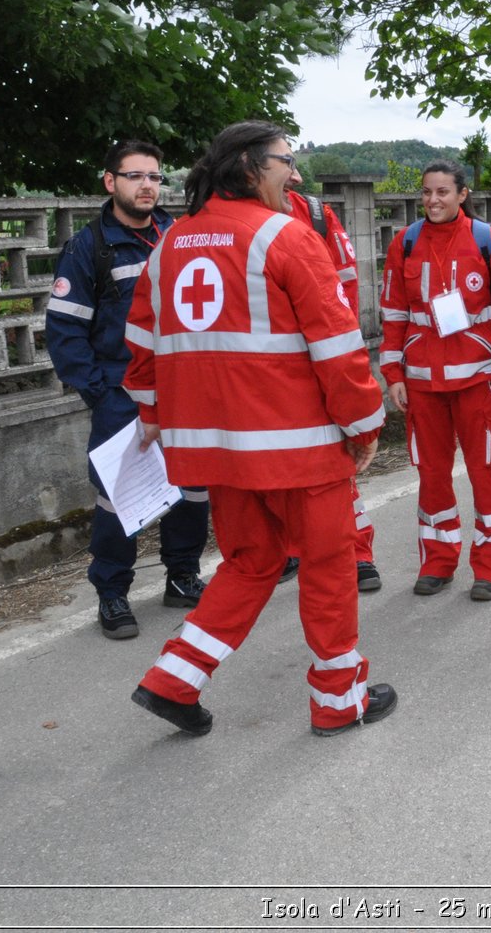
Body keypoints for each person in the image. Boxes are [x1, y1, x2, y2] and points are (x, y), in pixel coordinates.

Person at [123, 120, 395, 738]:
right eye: (285, 162)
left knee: (250, 562)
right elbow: (338, 347)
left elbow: (139, 349)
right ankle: (338, 700)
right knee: (328, 566)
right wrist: (364, 426)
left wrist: (154, 418)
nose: (294, 174)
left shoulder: (169, 246)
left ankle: (175, 679)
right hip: (298, 449)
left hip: (214, 452)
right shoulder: (287, 238)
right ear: (249, 166)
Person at [45, 140, 209, 639]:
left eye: (155, 177)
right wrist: (101, 394)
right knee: (119, 497)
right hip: (122, 395)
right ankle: (112, 594)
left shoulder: (178, 236)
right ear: (110, 181)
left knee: (192, 488)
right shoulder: (88, 247)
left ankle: (182, 576)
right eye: (135, 176)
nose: (147, 186)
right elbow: (65, 332)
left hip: (182, 390)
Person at [378, 161, 491, 600]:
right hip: (422, 384)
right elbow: (393, 317)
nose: (432, 201)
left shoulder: (488, 241)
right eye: (427, 192)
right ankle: (438, 561)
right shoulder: (405, 244)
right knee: (431, 475)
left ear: (462, 195)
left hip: (479, 381)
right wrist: (393, 374)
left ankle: (490, 566)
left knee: (487, 473)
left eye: (443, 192)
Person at [284, 184, 382, 593]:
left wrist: (341, 344)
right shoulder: (229, 218)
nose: (292, 170)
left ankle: (357, 553)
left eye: (291, 159)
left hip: (317, 357)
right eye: (283, 160)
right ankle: (291, 548)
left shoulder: (315, 213)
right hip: (267, 369)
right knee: (279, 463)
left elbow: (346, 286)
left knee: (335, 462)